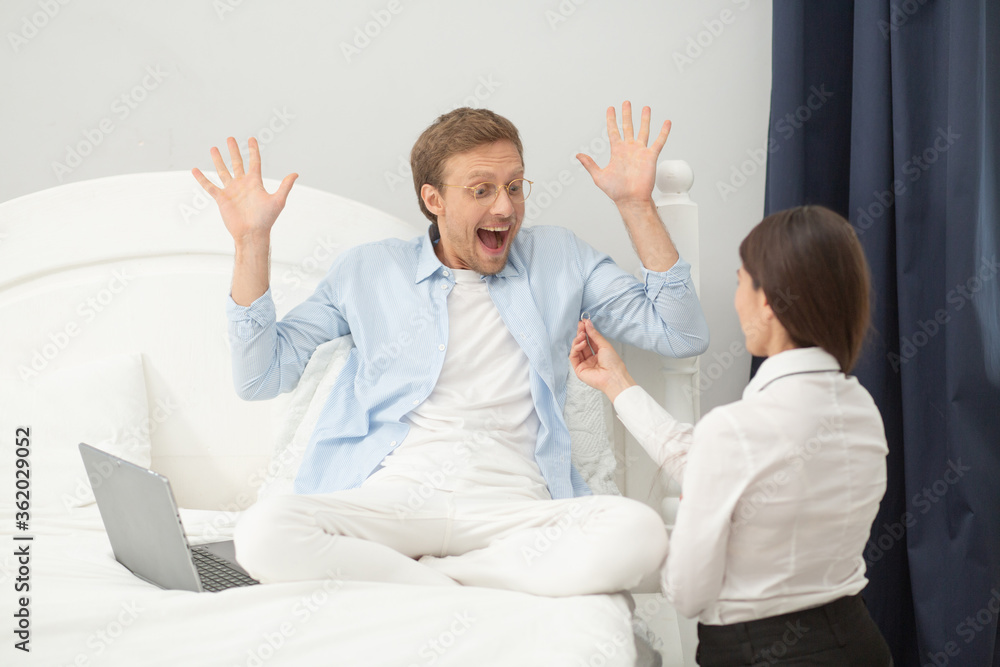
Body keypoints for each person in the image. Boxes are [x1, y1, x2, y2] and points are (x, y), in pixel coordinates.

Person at [191, 103, 709, 596]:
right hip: (394, 503)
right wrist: (251, 241)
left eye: (513, 187)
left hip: (512, 509)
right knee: (263, 530)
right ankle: (452, 584)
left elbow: (680, 335)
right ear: (433, 199)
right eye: (481, 190)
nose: (504, 208)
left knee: (639, 533)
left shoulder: (560, 257)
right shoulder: (368, 271)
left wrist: (635, 205)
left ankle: (423, 579)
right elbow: (260, 377)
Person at [570, 206, 894, 664]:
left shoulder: (736, 431)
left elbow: (685, 594)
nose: (736, 296)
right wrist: (616, 382)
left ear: (767, 302)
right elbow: (709, 456)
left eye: (742, 280)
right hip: (860, 641)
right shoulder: (863, 409)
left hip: (758, 651)